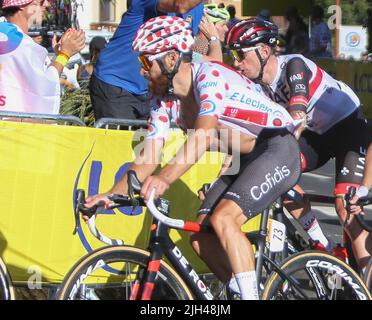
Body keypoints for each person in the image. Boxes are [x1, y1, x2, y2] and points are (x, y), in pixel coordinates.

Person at [84, 16, 303, 300]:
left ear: (172, 58)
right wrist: (109, 197)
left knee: (224, 219)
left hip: (277, 147)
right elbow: (148, 158)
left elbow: (202, 136)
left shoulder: (208, 76)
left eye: (147, 63)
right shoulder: (164, 102)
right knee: (201, 237)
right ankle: (246, 292)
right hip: (246, 157)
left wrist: (164, 178)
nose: (142, 72)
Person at [225, 18, 372, 270]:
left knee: (345, 206)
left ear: (263, 51)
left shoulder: (293, 64)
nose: (235, 62)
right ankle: (322, 245)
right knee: (275, 175)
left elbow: (297, 114)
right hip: (316, 137)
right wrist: (229, 171)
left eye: (240, 53)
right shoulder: (256, 86)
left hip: (348, 127)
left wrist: (278, 154)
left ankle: (365, 284)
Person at [89, 0, 204, 122]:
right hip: (116, 83)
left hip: (151, 89)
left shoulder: (197, 7)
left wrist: (212, 46)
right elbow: (180, 5)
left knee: (148, 139)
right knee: (123, 139)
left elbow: (187, 51)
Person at [0, 0, 85, 114]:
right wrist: (64, 54)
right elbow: (44, 87)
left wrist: (57, 56)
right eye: (40, 2)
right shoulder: (22, 44)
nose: (46, 5)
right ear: (21, 6)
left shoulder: (7, 34)